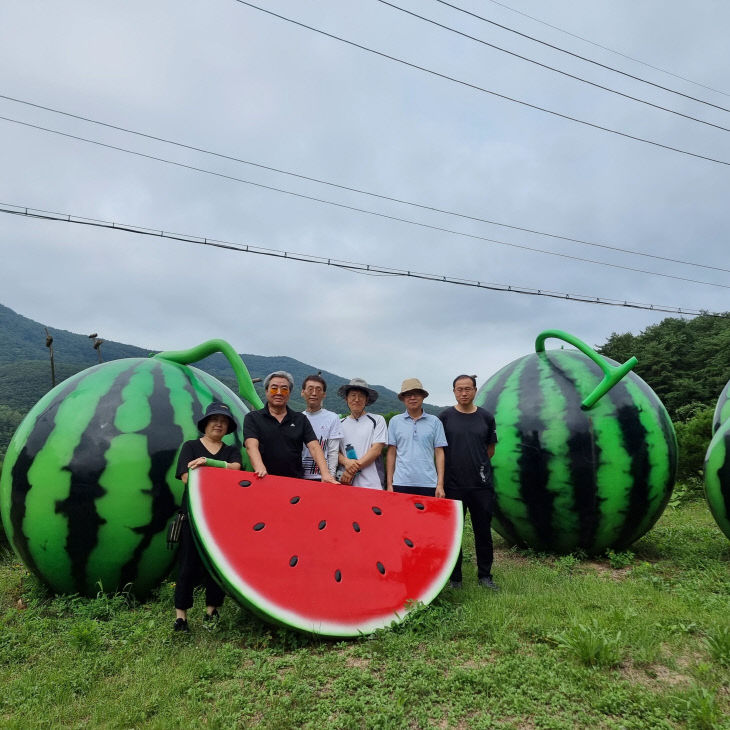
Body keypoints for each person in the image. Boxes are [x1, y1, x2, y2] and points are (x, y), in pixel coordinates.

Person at [174, 401, 242, 632]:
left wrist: (207, 464)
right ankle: (181, 617)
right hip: (193, 515)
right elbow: (186, 477)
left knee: (216, 566)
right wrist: (216, 474)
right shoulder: (191, 446)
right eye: (214, 420)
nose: (218, 425)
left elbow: (236, 470)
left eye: (223, 422)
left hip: (220, 516)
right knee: (187, 566)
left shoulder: (232, 450)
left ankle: (211, 612)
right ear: (205, 424)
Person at [439, 374, 499, 590]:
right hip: (453, 485)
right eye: (459, 389)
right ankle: (455, 579)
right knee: (455, 534)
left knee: (483, 532)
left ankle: (485, 576)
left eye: (467, 389)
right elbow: (439, 451)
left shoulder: (486, 417)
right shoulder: (445, 417)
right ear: (454, 391)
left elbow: (490, 450)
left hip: (481, 486)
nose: (463, 393)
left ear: (475, 390)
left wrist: (477, 466)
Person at [243, 371, 337, 482]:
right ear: (266, 391)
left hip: (294, 482)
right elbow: (251, 446)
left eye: (284, 389)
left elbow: (314, 447)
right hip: (263, 479)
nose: (279, 393)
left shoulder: (300, 419)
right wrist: (260, 468)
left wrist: (325, 474)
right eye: (274, 388)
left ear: (289, 393)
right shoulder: (253, 418)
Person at [386, 378, 447, 498]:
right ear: (403, 398)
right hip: (400, 482)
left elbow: (439, 453)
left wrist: (440, 484)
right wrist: (389, 484)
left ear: (423, 397)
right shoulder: (395, 421)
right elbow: (391, 453)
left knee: (428, 517)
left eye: (416, 394)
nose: (412, 397)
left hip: (429, 483)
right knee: (401, 517)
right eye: (408, 395)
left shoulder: (435, 422)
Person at [337, 378, 387, 489]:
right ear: (346, 399)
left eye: (361, 396)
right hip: (346, 484)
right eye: (353, 395)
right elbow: (334, 451)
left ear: (366, 400)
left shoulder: (378, 420)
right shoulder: (339, 423)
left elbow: (376, 450)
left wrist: (351, 471)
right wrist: (345, 461)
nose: (357, 399)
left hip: (373, 485)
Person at [300, 374, 344, 481]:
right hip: (299, 476)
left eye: (318, 390)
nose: (314, 393)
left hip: (322, 477)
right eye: (310, 389)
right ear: (302, 392)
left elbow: (333, 451)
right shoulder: (297, 418)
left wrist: (331, 476)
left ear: (324, 394)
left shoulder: (332, 418)